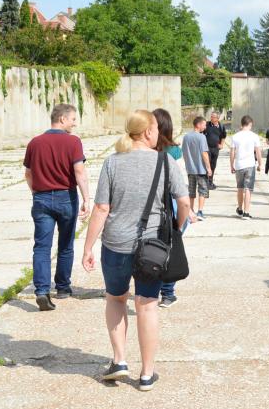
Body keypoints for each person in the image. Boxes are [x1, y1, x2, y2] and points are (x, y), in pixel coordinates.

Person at [82, 110, 192, 391]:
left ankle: (119, 360)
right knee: (147, 304)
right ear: (147, 132)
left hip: (115, 245)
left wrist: (88, 246)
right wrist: (177, 228)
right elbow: (184, 203)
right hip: (152, 247)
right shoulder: (165, 161)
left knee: (116, 299)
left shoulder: (113, 162)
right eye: (155, 129)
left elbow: (101, 208)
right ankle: (146, 374)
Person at [23, 103, 92, 311]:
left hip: (41, 198)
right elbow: (79, 172)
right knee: (66, 244)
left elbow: (28, 173)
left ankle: (42, 291)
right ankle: (62, 287)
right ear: (62, 119)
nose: (75, 123)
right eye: (73, 119)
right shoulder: (73, 142)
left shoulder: (35, 142)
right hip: (66, 198)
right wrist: (86, 199)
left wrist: (36, 193)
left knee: (41, 247)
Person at [153, 108, 185, 309]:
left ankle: (151, 289)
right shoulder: (174, 151)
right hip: (170, 204)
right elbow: (181, 185)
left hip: (150, 203)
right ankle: (167, 293)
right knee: (170, 248)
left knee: (151, 247)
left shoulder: (144, 150)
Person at [229, 115, 262, 219]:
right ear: (250, 124)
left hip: (239, 165)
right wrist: (260, 164)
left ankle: (240, 208)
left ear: (242, 124)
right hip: (250, 165)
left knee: (240, 188)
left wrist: (231, 165)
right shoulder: (254, 136)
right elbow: (258, 151)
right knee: (248, 188)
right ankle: (246, 212)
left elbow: (232, 152)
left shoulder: (235, 136)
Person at [181, 116, 212, 220]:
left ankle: (190, 212)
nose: (205, 127)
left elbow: (184, 153)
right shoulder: (201, 137)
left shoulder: (186, 137)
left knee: (191, 191)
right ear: (198, 125)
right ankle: (200, 212)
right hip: (201, 170)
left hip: (190, 169)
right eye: (204, 124)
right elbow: (204, 153)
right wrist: (209, 168)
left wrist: (188, 164)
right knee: (202, 191)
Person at [204, 112, 226, 190]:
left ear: (217, 118)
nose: (211, 118)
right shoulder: (206, 125)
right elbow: (201, 133)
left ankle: (210, 182)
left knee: (213, 165)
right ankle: (206, 182)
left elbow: (223, 136)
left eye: (213, 117)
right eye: (211, 116)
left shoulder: (221, 126)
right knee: (207, 164)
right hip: (207, 149)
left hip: (216, 149)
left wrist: (221, 144)